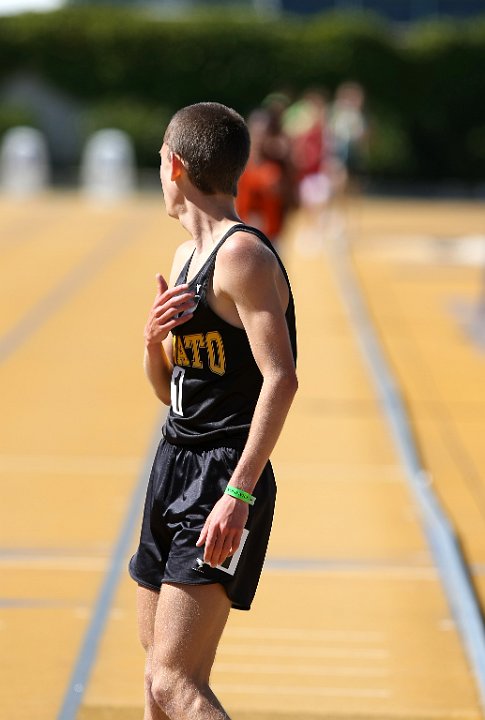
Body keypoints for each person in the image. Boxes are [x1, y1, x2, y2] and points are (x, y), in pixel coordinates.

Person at [128, 102, 298, 720]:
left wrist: (240, 495)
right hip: (173, 460)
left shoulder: (242, 257)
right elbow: (169, 389)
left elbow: (281, 381)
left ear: (175, 165)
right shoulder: (183, 262)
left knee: (176, 682)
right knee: (157, 683)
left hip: (222, 475)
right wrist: (151, 344)